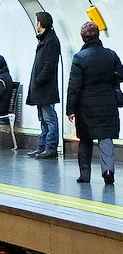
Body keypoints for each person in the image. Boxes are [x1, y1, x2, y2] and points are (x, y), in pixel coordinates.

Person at [66, 21, 123, 185]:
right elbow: (120, 74)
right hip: (108, 103)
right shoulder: (110, 55)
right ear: (98, 35)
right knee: (106, 138)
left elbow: (74, 86)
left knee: (85, 139)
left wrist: (70, 109)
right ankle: (108, 171)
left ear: (83, 38)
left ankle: (85, 174)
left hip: (86, 106)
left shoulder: (79, 58)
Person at [25, 12, 62, 159]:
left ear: (40, 23)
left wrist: (39, 80)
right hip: (42, 88)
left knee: (49, 118)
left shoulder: (50, 41)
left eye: (36, 22)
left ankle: (50, 147)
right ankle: (42, 146)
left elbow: (49, 65)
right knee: (43, 118)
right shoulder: (45, 40)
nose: (35, 24)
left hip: (45, 87)